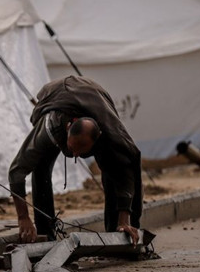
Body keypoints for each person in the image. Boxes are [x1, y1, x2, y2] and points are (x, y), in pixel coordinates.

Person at [9, 75, 142, 245]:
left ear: (97, 138)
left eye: (82, 150)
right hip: (55, 93)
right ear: (67, 129)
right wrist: (23, 218)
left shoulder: (108, 134)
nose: (76, 155)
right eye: (72, 149)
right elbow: (16, 171)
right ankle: (45, 231)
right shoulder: (50, 127)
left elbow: (125, 170)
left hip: (95, 96)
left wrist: (125, 218)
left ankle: (118, 230)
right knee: (40, 165)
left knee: (113, 166)